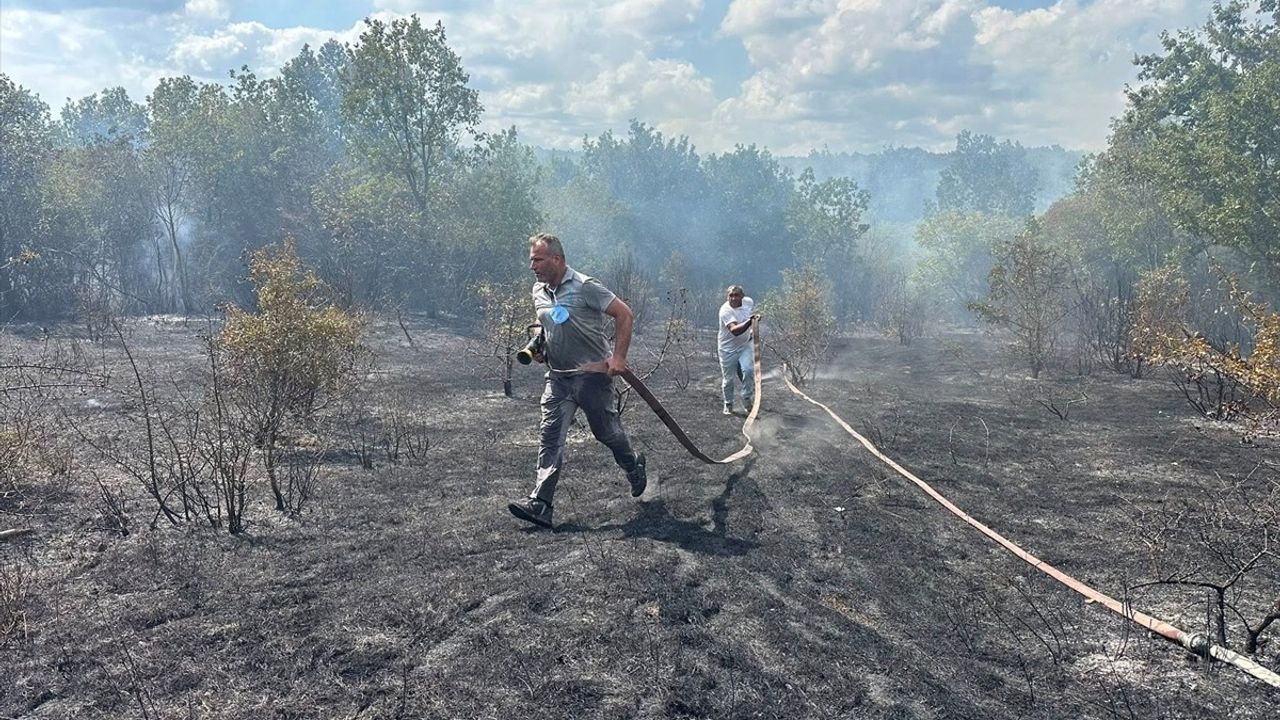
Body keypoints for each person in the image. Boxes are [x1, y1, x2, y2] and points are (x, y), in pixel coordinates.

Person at [508, 233, 647, 529]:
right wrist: (540, 345)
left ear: (556, 259)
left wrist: (619, 358)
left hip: (593, 378)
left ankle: (633, 466)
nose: (532, 266)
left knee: (606, 433)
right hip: (558, 379)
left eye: (537, 259)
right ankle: (541, 504)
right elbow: (543, 321)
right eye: (531, 259)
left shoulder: (585, 286)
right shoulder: (539, 290)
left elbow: (624, 314)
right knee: (550, 437)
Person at [718, 285, 758, 415]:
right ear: (727, 297)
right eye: (731, 295)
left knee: (749, 370)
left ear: (742, 296)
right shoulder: (725, 311)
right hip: (727, 349)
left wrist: (755, 319)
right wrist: (749, 322)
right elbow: (734, 331)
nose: (734, 298)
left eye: (736, 295)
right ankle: (728, 404)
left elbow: (752, 313)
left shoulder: (748, 302)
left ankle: (746, 399)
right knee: (728, 379)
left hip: (744, 345)